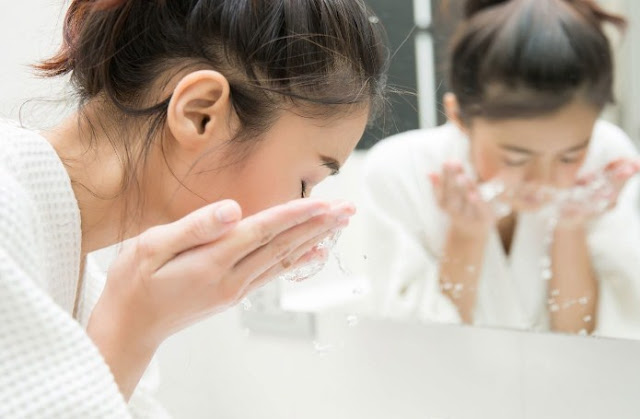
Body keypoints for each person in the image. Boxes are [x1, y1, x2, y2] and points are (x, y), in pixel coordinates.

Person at [0, 0, 388, 416]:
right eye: (305, 182)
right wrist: (133, 326)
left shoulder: (77, 269)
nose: (302, 211)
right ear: (200, 114)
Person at [362, 0, 640, 338]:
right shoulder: (398, 172)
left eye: (569, 156)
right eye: (516, 158)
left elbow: (585, 341)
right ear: (460, 117)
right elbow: (419, 347)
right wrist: (466, 235)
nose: (544, 180)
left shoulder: (604, 157)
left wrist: (571, 228)